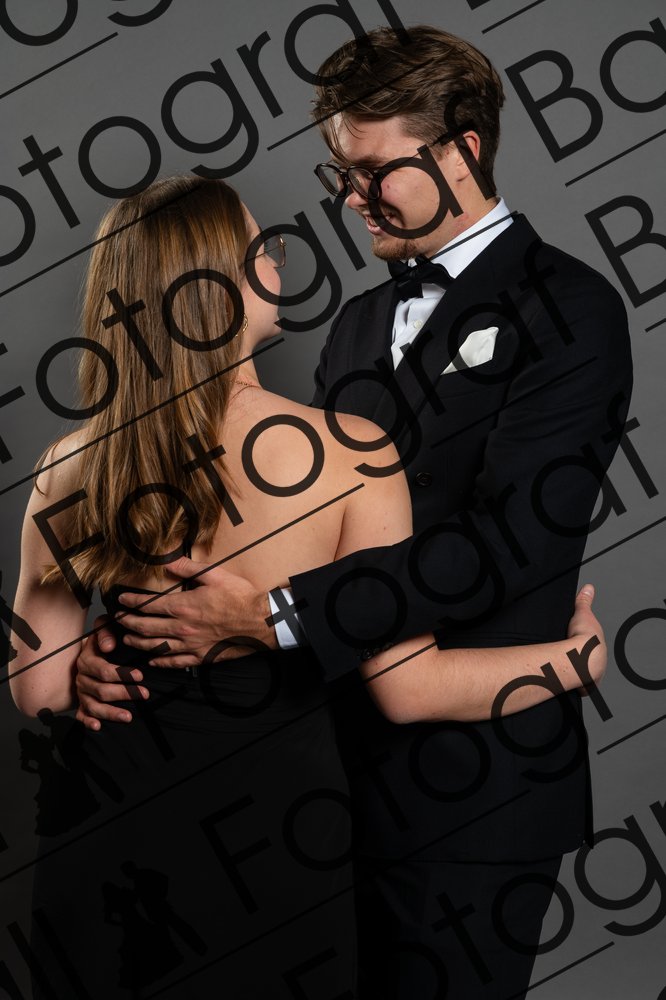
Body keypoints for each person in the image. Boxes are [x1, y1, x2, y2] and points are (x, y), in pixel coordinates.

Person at [11, 173, 606, 999]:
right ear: (219, 288)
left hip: (102, 815)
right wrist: (575, 661)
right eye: (263, 250)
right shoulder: (351, 455)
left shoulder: (67, 467)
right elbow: (407, 690)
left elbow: (39, 689)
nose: (278, 264)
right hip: (271, 830)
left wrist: (91, 663)